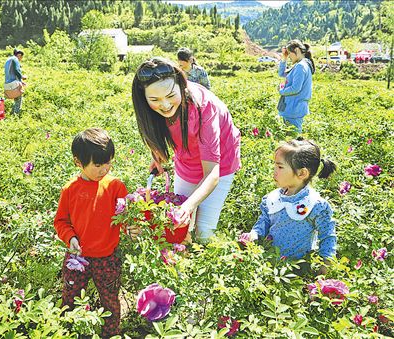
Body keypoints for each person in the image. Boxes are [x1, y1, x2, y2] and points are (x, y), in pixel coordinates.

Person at [132, 57, 241, 242]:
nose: (165, 105)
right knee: (181, 227)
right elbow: (156, 130)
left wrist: (188, 207)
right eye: (154, 99)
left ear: (181, 85)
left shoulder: (204, 108)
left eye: (170, 96)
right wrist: (156, 154)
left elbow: (212, 173)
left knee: (204, 230)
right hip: (186, 161)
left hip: (219, 164)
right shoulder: (149, 109)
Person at [53, 128, 128, 337]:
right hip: (78, 256)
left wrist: (131, 226)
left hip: (107, 257)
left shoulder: (115, 187)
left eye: (108, 162)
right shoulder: (70, 189)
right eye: (98, 164)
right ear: (79, 162)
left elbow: (124, 217)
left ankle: (110, 334)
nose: (105, 169)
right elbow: (60, 221)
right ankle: (67, 332)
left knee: (110, 300)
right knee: (70, 298)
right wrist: (70, 238)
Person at [239, 138, 337, 274]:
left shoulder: (315, 205)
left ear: (302, 173)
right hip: (267, 264)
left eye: (280, 167)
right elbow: (265, 221)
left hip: (296, 270)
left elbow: (327, 237)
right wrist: (254, 234)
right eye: (275, 165)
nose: (274, 171)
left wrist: (324, 269)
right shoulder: (273, 198)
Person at [277, 40, 315, 132]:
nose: (289, 56)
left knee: (294, 139)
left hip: (294, 108)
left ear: (297, 51)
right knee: (292, 139)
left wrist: (281, 91)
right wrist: (284, 57)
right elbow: (281, 73)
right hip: (294, 108)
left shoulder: (300, 66)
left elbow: (295, 88)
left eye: (289, 53)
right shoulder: (302, 64)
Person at [4, 48, 27, 114]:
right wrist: (22, 77)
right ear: (19, 55)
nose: (21, 59)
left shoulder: (8, 59)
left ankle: (12, 112)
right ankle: (16, 114)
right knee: (19, 98)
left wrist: (21, 81)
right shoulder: (15, 59)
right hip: (13, 83)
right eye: (21, 57)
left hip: (7, 83)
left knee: (16, 98)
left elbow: (11, 72)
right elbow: (16, 71)